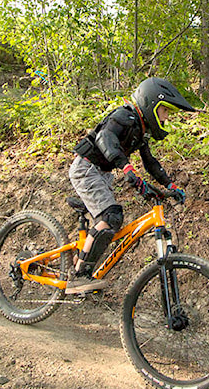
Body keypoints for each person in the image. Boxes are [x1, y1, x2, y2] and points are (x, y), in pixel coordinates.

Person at [66, 77, 195, 294]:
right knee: (110, 216)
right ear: (152, 104)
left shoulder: (141, 130)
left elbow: (150, 163)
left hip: (102, 174)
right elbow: (105, 139)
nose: (166, 117)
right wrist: (127, 169)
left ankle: (83, 261)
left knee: (110, 220)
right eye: (165, 111)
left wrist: (170, 185)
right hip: (86, 168)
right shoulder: (124, 116)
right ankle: (78, 275)